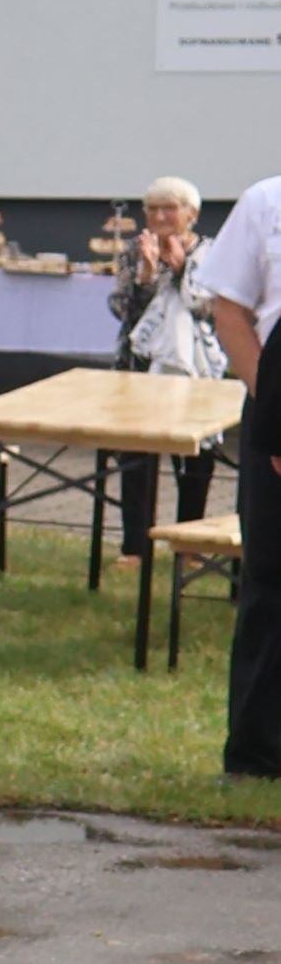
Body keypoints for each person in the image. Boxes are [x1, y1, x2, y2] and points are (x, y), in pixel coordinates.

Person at [206, 173, 281, 775]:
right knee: (274, 579)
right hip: (279, 400)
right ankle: (259, 751)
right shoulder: (267, 201)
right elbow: (228, 310)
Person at [114, 178, 226, 521]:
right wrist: (146, 276)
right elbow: (122, 310)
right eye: (153, 209)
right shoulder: (136, 250)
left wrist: (180, 270)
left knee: (195, 455)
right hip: (141, 366)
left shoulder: (213, 253)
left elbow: (217, 312)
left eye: (169, 208)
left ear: (192, 214)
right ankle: (134, 546)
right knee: (135, 453)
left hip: (197, 367)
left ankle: (188, 542)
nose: (160, 216)